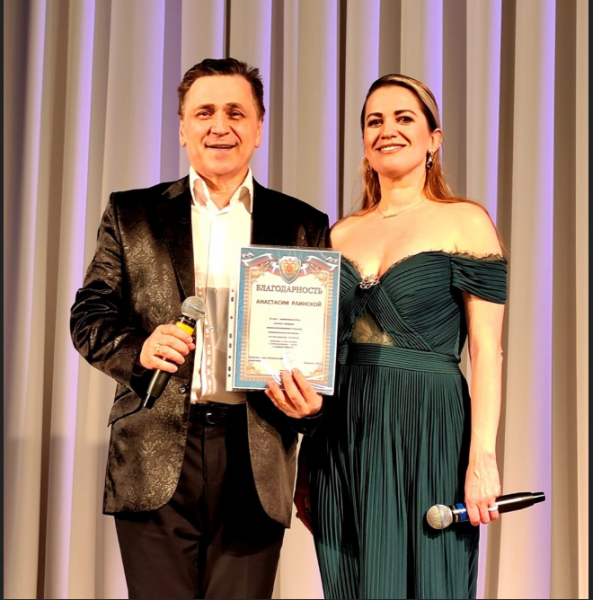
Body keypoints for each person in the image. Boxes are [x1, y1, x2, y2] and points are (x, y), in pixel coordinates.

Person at [70, 58, 327, 600]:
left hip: (256, 453)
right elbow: (89, 315)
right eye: (204, 112)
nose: (220, 126)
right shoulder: (132, 213)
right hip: (155, 450)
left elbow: (325, 342)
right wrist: (139, 348)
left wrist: (311, 407)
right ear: (183, 128)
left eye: (236, 112)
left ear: (259, 128)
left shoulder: (302, 223)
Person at [265, 74, 508, 599]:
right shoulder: (337, 234)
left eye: (404, 118)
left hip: (429, 429)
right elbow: (319, 354)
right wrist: (306, 460)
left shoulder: (466, 222)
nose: (387, 130)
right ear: (363, 141)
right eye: (375, 121)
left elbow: (488, 351)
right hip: (344, 434)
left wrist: (482, 458)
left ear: (433, 139)